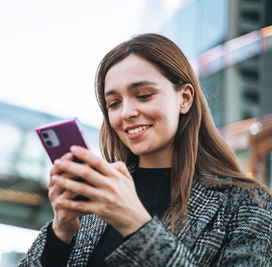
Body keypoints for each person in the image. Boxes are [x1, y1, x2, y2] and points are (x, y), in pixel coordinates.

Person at [18, 33, 272, 266]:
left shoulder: (245, 204)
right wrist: (60, 232)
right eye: (114, 103)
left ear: (184, 98)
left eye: (144, 95)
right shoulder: (95, 200)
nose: (126, 113)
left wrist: (136, 224)